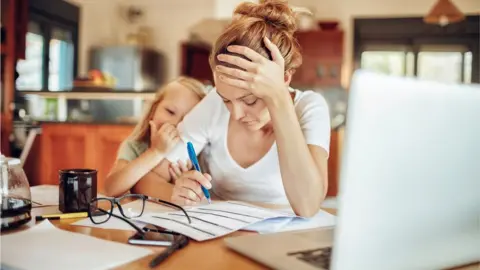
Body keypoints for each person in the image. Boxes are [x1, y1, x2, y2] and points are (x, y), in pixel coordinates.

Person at [133, 0, 331, 217]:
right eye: (227, 100)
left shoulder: (309, 108)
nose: (235, 114)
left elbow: (308, 206)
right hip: (221, 236)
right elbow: (147, 179)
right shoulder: (214, 105)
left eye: (250, 101)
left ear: (284, 78)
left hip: (282, 241)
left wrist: (279, 101)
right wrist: (175, 192)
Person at [104, 76, 207, 197]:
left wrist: (182, 184)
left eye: (187, 119)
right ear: (153, 109)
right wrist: (156, 152)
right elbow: (111, 189)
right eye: (170, 111)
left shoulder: (197, 155)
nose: (176, 123)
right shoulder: (135, 146)